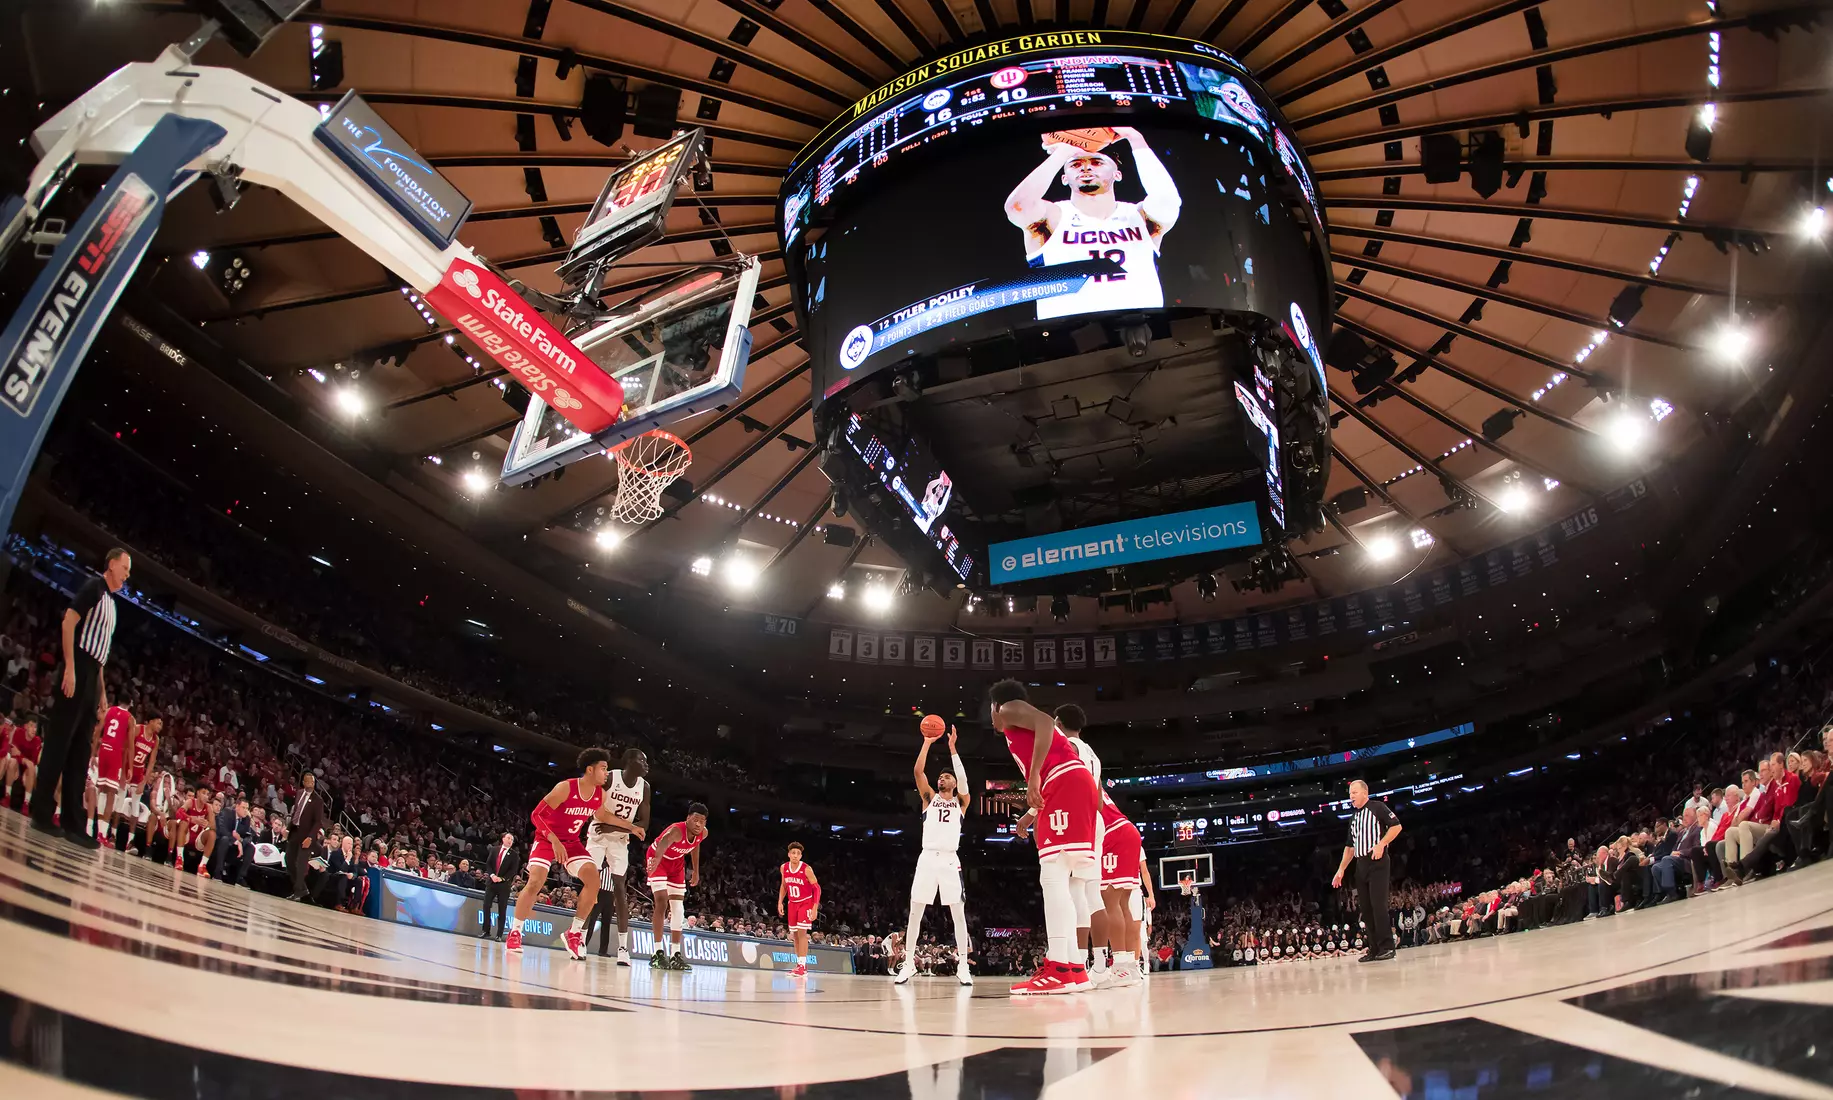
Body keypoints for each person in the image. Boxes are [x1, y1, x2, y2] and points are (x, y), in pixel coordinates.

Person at [988, 679, 1099, 995]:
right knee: (1059, 878)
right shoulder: (1015, 729)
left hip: (1062, 781)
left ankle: (1059, 968)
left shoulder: (1009, 708)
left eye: (989, 709)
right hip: (1065, 786)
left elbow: (1046, 722)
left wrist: (1034, 774)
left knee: (1053, 879)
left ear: (996, 705)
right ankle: (1075, 968)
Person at [1004, 126, 1182, 320]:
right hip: (1069, 337)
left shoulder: (1138, 216)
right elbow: (1017, 206)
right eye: (1075, 164)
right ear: (1064, 178)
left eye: (1097, 162)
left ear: (1117, 175)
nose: (1086, 167)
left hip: (1139, 330)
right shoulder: (1053, 217)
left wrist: (1136, 139)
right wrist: (1064, 151)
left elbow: (1168, 199)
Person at [32, 548, 129, 848]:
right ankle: (42, 812)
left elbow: (101, 656)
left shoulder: (112, 602)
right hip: (78, 666)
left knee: (80, 752)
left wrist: (100, 691)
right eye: (125, 568)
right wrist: (70, 669)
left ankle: (74, 822)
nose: (128, 574)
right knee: (60, 742)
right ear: (111, 565)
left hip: (93, 676)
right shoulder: (93, 588)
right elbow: (68, 622)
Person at [507, 747, 611, 960]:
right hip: (547, 839)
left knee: (594, 880)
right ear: (590, 770)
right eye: (603, 768)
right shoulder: (566, 788)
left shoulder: (599, 794)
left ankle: (573, 933)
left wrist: (631, 827)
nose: (606, 773)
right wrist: (553, 840)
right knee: (536, 881)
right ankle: (515, 931)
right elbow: (536, 815)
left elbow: (604, 816)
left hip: (571, 843)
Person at [897, 724, 972, 986]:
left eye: (946, 777)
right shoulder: (929, 797)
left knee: (958, 913)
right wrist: (928, 742)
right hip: (927, 857)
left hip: (951, 860)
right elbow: (918, 771)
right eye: (940, 777)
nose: (942, 779)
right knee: (915, 912)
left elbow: (963, 781)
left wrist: (952, 750)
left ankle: (964, 964)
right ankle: (907, 964)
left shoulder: (961, 802)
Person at [585, 748, 650, 964]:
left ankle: (623, 948)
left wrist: (618, 830)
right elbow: (597, 812)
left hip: (619, 838)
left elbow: (643, 825)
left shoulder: (645, 787)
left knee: (620, 890)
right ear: (630, 761)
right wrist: (626, 828)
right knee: (590, 883)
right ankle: (578, 936)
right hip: (597, 833)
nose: (646, 764)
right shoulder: (610, 777)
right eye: (642, 760)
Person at [1331, 779, 1402, 962]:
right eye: (1349, 794)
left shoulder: (1378, 807)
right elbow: (1349, 847)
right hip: (1360, 865)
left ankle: (1387, 947)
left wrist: (1382, 843)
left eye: (1354, 793)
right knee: (1366, 909)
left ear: (1364, 792)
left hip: (1377, 861)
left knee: (1378, 906)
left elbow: (1396, 826)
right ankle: (1374, 948)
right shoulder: (1354, 818)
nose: (1351, 796)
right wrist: (1341, 870)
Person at [645, 802, 709, 971]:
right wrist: (656, 861)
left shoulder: (703, 833)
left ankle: (675, 955)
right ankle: (657, 953)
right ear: (688, 818)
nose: (698, 824)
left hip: (676, 864)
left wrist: (695, 870)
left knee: (679, 909)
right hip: (657, 858)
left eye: (702, 821)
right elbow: (663, 843)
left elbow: (695, 846)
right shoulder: (676, 830)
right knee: (661, 902)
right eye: (695, 819)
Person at [89, 702, 138, 847]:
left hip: (103, 750)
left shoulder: (109, 710)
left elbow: (98, 731)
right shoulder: (130, 718)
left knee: (102, 791)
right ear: (130, 703)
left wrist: (93, 754)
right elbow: (130, 745)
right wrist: (130, 768)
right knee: (112, 794)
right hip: (115, 754)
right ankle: (102, 834)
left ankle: (96, 831)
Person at [777, 841, 821, 978]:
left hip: (805, 903)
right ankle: (800, 965)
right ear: (789, 854)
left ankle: (802, 966)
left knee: (802, 933)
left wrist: (815, 908)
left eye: (798, 853)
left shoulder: (806, 869)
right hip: (792, 903)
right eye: (793, 853)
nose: (795, 855)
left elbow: (817, 888)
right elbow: (784, 885)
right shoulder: (784, 868)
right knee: (794, 935)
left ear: (801, 856)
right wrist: (780, 902)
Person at [285, 772, 328, 900]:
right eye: (308, 782)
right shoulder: (299, 793)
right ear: (303, 782)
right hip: (295, 832)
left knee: (301, 864)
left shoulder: (318, 800)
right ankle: (302, 889)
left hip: (307, 836)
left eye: (313, 782)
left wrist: (310, 837)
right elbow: (296, 812)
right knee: (289, 860)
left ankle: (298, 892)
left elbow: (318, 821)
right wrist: (289, 828)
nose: (311, 784)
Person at [121, 715, 161, 847]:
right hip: (126, 766)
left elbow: (151, 762)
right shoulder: (138, 729)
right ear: (150, 721)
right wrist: (125, 770)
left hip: (139, 772)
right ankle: (112, 834)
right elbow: (127, 749)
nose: (160, 726)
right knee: (118, 800)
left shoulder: (156, 739)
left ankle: (129, 841)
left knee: (135, 805)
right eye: (158, 723)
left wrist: (144, 781)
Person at [480, 831, 520, 940]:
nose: (510, 841)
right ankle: (486, 930)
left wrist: (502, 878)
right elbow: (488, 864)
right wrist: (492, 875)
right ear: (503, 839)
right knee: (486, 905)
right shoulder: (494, 850)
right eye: (508, 838)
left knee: (502, 909)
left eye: (512, 840)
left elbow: (513, 870)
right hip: (491, 882)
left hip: (504, 885)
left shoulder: (514, 855)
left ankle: (499, 934)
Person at [1, 717, 41, 814]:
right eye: (31, 726)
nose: (34, 729)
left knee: (31, 766)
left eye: (36, 727)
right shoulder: (18, 733)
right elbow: (14, 752)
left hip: (28, 769)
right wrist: (23, 759)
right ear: (26, 726)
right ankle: (7, 795)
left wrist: (21, 756)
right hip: (17, 766)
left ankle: (26, 803)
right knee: (12, 761)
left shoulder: (37, 740)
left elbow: (33, 761)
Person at [317, 834, 360, 909]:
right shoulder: (335, 853)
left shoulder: (351, 857)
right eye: (348, 843)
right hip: (333, 877)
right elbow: (340, 870)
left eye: (352, 844)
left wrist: (352, 875)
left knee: (359, 881)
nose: (350, 846)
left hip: (345, 878)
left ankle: (355, 906)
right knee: (342, 876)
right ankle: (339, 903)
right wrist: (347, 859)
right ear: (343, 844)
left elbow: (355, 871)